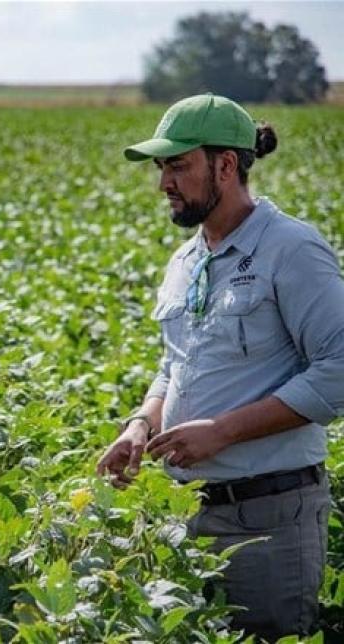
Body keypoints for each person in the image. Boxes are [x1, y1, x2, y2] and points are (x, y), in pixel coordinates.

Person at [97, 94, 344, 640]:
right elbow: (176, 365)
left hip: (269, 517)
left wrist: (224, 431)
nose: (164, 182)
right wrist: (141, 425)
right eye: (162, 167)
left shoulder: (291, 249)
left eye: (178, 165)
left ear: (226, 165)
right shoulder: (187, 261)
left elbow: (339, 368)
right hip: (187, 516)